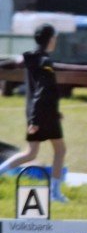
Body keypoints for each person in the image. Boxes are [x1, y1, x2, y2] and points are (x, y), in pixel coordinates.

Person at [0, 24, 68, 202]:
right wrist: (36, 120)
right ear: (51, 39)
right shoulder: (45, 62)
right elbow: (43, 91)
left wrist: (48, 113)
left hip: (37, 112)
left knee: (31, 153)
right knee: (60, 150)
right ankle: (55, 193)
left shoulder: (30, 58)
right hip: (43, 114)